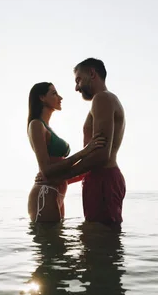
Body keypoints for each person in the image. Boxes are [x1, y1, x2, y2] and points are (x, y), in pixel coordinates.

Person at [37, 58, 127, 227]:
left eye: (78, 80)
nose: (76, 87)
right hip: (101, 180)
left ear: (92, 73)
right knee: (95, 243)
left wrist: (62, 176)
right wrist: (62, 179)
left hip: (103, 181)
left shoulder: (102, 99)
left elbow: (101, 156)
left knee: (100, 244)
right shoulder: (104, 101)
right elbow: (95, 157)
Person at [27, 82, 106, 222]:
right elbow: (47, 170)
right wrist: (84, 152)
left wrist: (89, 167)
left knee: (56, 242)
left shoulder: (48, 128)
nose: (60, 97)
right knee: (50, 242)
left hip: (56, 193)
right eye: (54, 93)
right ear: (42, 97)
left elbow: (60, 173)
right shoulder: (36, 125)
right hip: (45, 194)